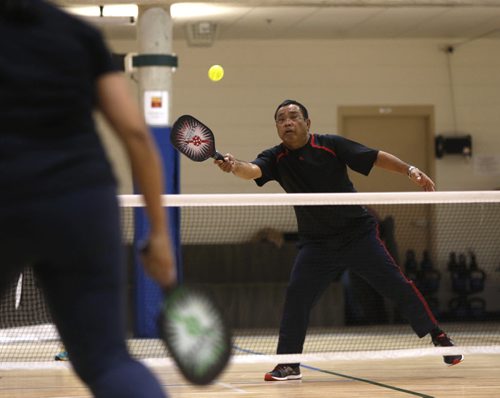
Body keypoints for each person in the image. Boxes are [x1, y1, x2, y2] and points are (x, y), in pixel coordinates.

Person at [215, 99, 463, 381]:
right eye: (281, 119)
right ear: (277, 127)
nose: (287, 122)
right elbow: (252, 171)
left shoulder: (330, 145)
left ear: (307, 123)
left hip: (357, 235)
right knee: (297, 297)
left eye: (294, 117)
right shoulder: (275, 157)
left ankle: (439, 337)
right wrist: (234, 166)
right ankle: (289, 363)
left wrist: (410, 170)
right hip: (317, 244)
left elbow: (374, 156)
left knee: (397, 286)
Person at [0, 1, 175, 397]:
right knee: (107, 361)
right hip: (82, 202)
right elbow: (135, 134)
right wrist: (160, 233)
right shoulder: (78, 35)